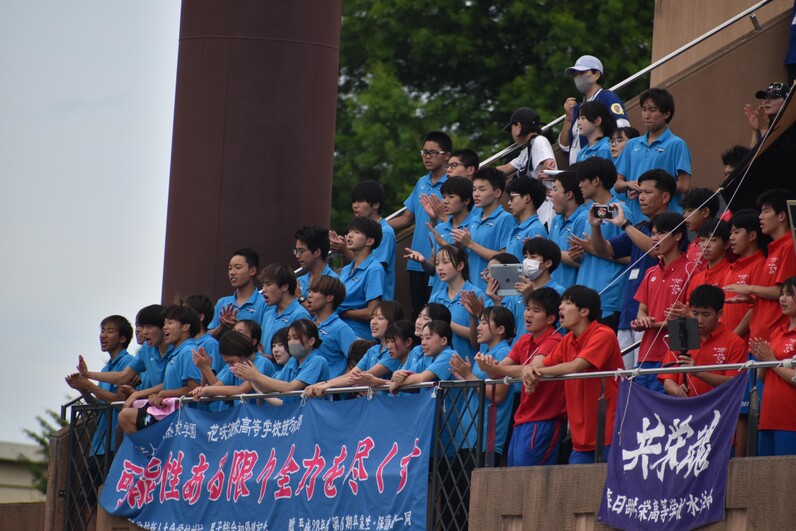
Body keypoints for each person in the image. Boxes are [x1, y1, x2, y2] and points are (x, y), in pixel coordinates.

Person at [522, 285, 623, 464]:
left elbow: (576, 366)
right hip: (579, 440)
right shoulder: (568, 339)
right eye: (562, 302)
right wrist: (530, 371)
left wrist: (536, 373)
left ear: (584, 311)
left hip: (608, 434)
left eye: (568, 303)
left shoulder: (603, 334)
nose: (560, 307)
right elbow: (544, 363)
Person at [475, 287, 565, 466]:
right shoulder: (524, 340)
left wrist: (497, 369)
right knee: (516, 477)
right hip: (522, 419)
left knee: (532, 478)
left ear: (551, 319)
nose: (528, 314)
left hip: (545, 419)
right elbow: (498, 371)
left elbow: (532, 368)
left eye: (536, 310)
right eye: (528, 308)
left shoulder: (554, 340)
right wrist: (487, 366)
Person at [389, 131, 452, 318]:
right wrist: (375, 226)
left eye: (432, 153)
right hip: (416, 259)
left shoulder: (452, 184)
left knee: (437, 316)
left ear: (446, 155)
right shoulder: (421, 182)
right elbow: (406, 218)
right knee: (418, 314)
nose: (427, 157)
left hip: (441, 259)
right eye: (424, 152)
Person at [567, 157, 634, 329]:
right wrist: (578, 255)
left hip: (608, 298)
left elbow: (632, 257)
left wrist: (592, 249)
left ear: (596, 181)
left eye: (583, 180)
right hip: (585, 296)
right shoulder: (589, 213)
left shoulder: (620, 211)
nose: (579, 185)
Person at [118, 306, 203, 434]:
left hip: (181, 418)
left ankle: (151, 454)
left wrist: (164, 394)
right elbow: (171, 384)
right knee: (125, 416)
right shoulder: (177, 352)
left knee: (125, 417)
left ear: (185, 327)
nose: (165, 327)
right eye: (164, 323)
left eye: (170, 323)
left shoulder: (187, 352)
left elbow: (193, 389)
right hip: (170, 414)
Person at [631, 213, 691, 392]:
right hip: (646, 353)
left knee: (669, 414)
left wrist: (652, 324)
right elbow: (642, 310)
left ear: (677, 236)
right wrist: (642, 320)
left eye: (660, 233)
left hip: (675, 353)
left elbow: (692, 319)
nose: (654, 238)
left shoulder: (692, 270)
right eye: (652, 234)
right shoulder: (650, 272)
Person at [728, 190, 796, 344]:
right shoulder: (774, 249)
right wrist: (752, 299)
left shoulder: (789, 245)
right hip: (760, 337)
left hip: (774, 338)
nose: (760, 217)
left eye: (766, 211)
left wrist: (750, 289)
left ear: (781, 216)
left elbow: (784, 291)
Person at [614, 88, 692, 220]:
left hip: (665, 222)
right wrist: (629, 184)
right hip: (634, 220)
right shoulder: (632, 145)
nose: (646, 115)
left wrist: (651, 190)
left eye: (652, 110)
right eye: (644, 109)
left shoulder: (677, 144)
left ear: (666, 114)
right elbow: (617, 184)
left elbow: (684, 186)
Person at [450, 306, 515, 460]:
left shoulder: (504, 353)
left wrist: (469, 376)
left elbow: (498, 395)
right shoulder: (485, 354)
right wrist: (466, 379)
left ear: (500, 329)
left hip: (485, 437)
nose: (478, 327)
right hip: (469, 435)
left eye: (484, 323)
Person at [660, 285, 746, 398]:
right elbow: (668, 379)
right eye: (695, 314)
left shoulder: (735, 342)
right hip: (685, 409)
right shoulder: (682, 333)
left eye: (706, 315)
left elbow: (734, 381)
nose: (699, 320)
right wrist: (677, 391)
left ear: (719, 314)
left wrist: (699, 373)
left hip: (719, 409)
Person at [65, 316, 134, 456]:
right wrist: (83, 390)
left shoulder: (127, 363)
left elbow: (118, 401)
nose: (103, 335)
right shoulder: (105, 369)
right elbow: (100, 405)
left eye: (110, 331)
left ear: (122, 338)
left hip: (116, 443)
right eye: (102, 330)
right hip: (99, 444)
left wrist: (88, 384)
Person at [305, 301, 405, 396]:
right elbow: (352, 374)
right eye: (372, 317)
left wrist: (327, 385)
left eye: (380, 318)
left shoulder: (394, 351)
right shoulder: (373, 350)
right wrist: (322, 384)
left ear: (393, 322)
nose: (373, 322)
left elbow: (360, 377)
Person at [749, 277, 796, 456]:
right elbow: (764, 377)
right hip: (768, 418)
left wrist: (772, 360)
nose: (782, 299)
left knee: (787, 478)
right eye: (782, 294)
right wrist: (764, 360)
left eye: (789, 295)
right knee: (766, 477)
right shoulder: (777, 332)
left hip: (790, 420)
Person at [231, 319, 330, 402]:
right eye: (288, 338)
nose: (291, 342)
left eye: (296, 338)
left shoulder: (317, 361)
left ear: (311, 341)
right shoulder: (292, 361)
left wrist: (257, 376)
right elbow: (270, 387)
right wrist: (251, 378)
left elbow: (291, 387)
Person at [79, 305, 171, 393]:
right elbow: (123, 376)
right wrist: (87, 374)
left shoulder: (178, 348)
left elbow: (173, 384)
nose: (143, 332)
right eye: (141, 327)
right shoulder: (146, 348)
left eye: (149, 327)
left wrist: (136, 394)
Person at [330, 180, 396, 300]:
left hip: (378, 305)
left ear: (376, 204)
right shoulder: (362, 230)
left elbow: (373, 268)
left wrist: (344, 250)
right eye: (354, 201)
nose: (355, 205)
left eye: (360, 201)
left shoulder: (385, 232)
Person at [451, 167, 516, 291]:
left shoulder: (505, 219)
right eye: (474, 189)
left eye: (482, 189)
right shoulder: (474, 219)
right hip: (472, 288)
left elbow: (506, 258)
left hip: (494, 290)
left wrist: (470, 244)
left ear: (497, 193)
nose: (476, 194)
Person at [559, 55, 630, 164]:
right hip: (577, 171)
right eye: (575, 74)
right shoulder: (578, 107)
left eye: (582, 73)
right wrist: (568, 119)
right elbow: (565, 146)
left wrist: (600, 144)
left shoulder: (607, 97)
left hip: (596, 166)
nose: (577, 77)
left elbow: (623, 126)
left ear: (596, 75)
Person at [428, 245, 492, 362]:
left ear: (460, 265)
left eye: (445, 262)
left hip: (468, 366)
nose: (440, 268)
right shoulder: (435, 298)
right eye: (437, 264)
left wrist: (446, 322)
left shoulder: (476, 295)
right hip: (441, 368)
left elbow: (478, 339)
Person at [496, 108, 556, 226]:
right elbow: (506, 168)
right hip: (536, 206)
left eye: (511, 128)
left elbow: (549, 164)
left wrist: (534, 187)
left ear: (518, 126)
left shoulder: (539, 141)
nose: (511, 134)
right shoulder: (526, 151)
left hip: (546, 204)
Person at [191, 330, 275, 411]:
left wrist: (207, 390)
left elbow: (241, 389)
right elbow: (215, 389)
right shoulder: (232, 367)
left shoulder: (262, 363)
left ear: (242, 352)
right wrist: (202, 386)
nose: (231, 366)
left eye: (231, 361)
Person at [421, 176, 476, 295]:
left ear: (466, 200)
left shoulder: (475, 226)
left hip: (464, 297)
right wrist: (422, 261)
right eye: (444, 196)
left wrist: (445, 245)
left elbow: (468, 263)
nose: (445, 201)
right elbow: (433, 268)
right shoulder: (440, 228)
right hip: (438, 295)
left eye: (451, 197)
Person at [338, 216, 386, 339]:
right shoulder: (346, 269)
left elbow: (372, 311)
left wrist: (343, 312)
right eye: (349, 232)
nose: (349, 235)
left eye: (356, 232)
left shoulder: (374, 269)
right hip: (340, 329)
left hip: (358, 335)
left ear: (369, 241)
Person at [305, 275, 357, 378]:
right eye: (309, 291)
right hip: (308, 390)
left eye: (315, 291)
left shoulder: (341, 328)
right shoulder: (307, 326)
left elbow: (357, 362)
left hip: (330, 391)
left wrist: (336, 384)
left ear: (329, 297)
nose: (309, 295)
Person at [208, 248, 267, 338]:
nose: (232, 273)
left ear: (252, 271)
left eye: (238, 267)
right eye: (230, 268)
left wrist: (238, 326)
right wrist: (221, 327)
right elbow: (207, 337)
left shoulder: (264, 302)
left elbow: (265, 338)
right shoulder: (222, 302)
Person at [259, 263, 311, 356]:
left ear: (285, 286)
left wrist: (274, 360)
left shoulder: (300, 314)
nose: (263, 290)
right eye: (263, 285)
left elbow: (303, 354)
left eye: (268, 284)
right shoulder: (268, 315)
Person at [548, 169, 588, 290]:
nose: (551, 194)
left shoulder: (583, 218)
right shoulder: (556, 220)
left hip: (572, 294)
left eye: (555, 189)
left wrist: (546, 251)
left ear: (569, 194)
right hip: (552, 291)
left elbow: (579, 260)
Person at [389, 320, 455, 393]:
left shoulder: (449, 355)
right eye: (422, 338)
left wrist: (396, 383)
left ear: (443, 340)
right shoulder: (428, 358)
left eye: (428, 338)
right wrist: (397, 375)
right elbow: (407, 373)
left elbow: (421, 378)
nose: (423, 343)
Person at [684, 219, 732, 303]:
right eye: (702, 240)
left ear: (727, 244)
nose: (706, 245)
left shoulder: (731, 273)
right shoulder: (696, 278)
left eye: (713, 240)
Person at [504, 176, 548, 261]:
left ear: (527, 198)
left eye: (512, 198)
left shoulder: (535, 230)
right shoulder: (517, 227)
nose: (508, 203)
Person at [293, 226, 339, 301]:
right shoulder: (299, 281)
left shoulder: (334, 282)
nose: (297, 256)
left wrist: (299, 297)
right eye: (296, 251)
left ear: (317, 252)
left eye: (301, 251)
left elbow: (326, 312)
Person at [180, 295, 222, 374]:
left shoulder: (210, 344)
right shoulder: (183, 342)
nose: (182, 315)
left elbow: (213, 377)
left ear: (201, 317)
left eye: (187, 311)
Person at [680, 187, 720, 266]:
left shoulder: (717, 244)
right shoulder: (691, 246)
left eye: (690, 210)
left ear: (705, 212)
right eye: (684, 212)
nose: (685, 216)